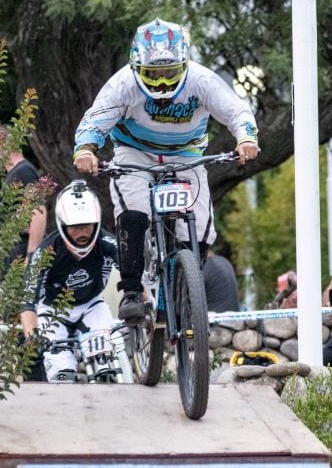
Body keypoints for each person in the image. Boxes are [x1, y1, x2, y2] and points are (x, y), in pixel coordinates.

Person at [73, 18, 260, 324]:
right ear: (138, 68)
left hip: (185, 154)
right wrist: (86, 149)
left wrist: (246, 138)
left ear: (183, 65)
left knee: (199, 230)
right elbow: (95, 120)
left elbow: (236, 110)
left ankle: (183, 287)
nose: (161, 83)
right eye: (153, 74)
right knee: (134, 213)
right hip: (136, 153)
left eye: (168, 73)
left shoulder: (202, 80)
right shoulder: (123, 84)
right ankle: (132, 292)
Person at [20, 180, 119, 382]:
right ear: (62, 224)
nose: (82, 233)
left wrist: (147, 307)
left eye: (87, 226)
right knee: (62, 372)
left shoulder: (109, 243)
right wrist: (32, 338)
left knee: (104, 361)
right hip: (52, 312)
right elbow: (27, 301)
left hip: (92, 305)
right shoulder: (45, 252)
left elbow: (134, 278)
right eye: (75, 227)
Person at [0, 124, 48, 278]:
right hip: (13, 261)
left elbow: (38, 212)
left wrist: (30, 257)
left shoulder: (24, 172)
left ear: (3, 143)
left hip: (21, 262)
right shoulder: (16, 173)